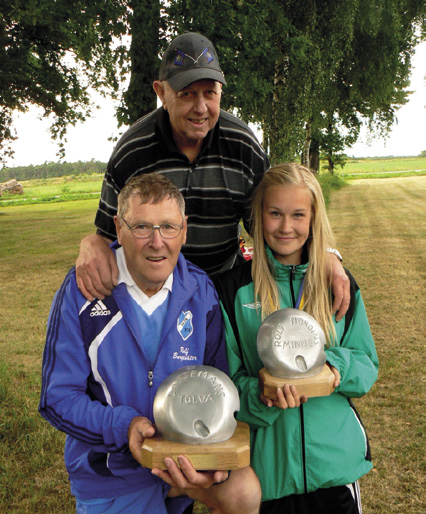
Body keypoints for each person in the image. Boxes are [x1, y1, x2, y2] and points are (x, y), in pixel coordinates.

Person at [39, 173, 261, 514]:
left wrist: (215, 459)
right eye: (142, 226)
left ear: (184, 231)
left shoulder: (200, 290)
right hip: (112, 474)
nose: (157, 242)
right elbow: (57, 399)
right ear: (118, 229)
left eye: (169, 227)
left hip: (181, 464)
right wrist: (123, 426)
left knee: (243, 491)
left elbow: (216, 382)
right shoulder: (83, 291)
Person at [75, 31, 350, 320]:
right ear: (161, 93)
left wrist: (325, 254)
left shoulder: (243, 146)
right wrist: (90, 243)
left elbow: (276, 225)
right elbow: (108, 236)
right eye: (187, 94)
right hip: (152, 299)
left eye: (210, 93)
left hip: (223, 294)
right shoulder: (132, 152)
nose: (201, 107)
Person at [215, 163, 379, 514]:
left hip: (333, 474)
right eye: (274, 213)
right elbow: (227, 384)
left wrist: (334, 369)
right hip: (267, 477)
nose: (285, 226)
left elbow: (366, 363)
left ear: (314, 217)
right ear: (258, 216)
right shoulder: (234, 290)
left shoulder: (338, 283)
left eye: (298, 215)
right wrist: (263, 396)